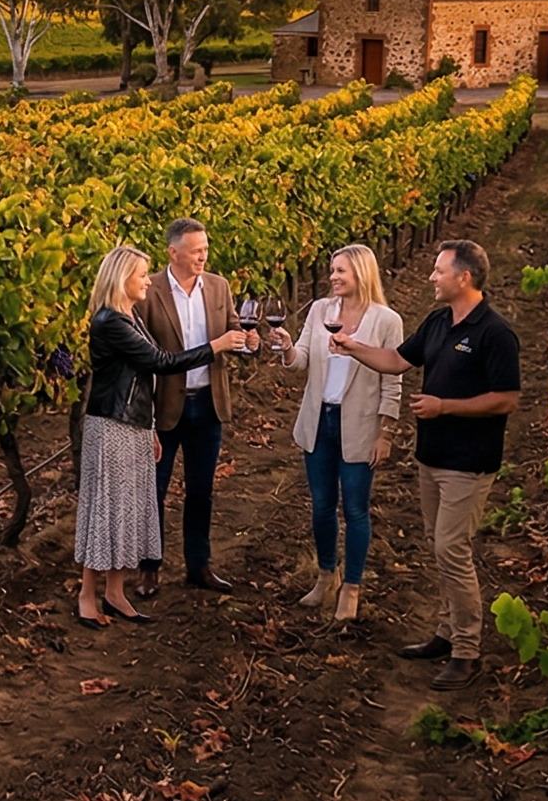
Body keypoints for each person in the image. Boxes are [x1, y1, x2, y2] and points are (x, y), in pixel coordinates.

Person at [332, 239, 521, 688]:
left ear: (464, 278)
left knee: (452, 549)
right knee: (439, 544)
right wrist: (352, 347)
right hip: (431, 456)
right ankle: (445, 631)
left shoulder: (495, 333)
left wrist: (444, 407)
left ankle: (467, 651)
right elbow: (398, 361)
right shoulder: (439, 321)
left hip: (468, 461)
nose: (431, 277)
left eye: (439, 271)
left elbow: (507, 398)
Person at [76, 243, 255, 625]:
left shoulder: (127, 315)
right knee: (106, 512)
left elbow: (145, 376)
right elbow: (160, 362)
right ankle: (86, 596)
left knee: (127, 511)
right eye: (141, 275)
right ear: (122, 279)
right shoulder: (110, 321)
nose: (147, 281)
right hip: (112, 426)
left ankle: (115, 593)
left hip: (135, 423)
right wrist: (215, 346)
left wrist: (151, 424)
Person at [267, 245, 404, 622]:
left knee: (355, 509)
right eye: (331, 270)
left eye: (340, 271)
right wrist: (287, 349)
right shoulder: (320, 311)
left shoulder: (386, 321)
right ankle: (327, 575)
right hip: (320, 421)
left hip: (359, 424)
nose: (333, 277)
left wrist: (386, 432)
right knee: (322, 505)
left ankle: (352, 587)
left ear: (361, 273)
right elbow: (303, 361)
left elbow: (393, 381)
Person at [135, 217, 239, 597]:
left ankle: (199, 565)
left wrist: (250, 341)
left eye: (206, 249)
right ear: (173, 253)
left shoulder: (218, 286)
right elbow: (144, 359)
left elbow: (233, 332)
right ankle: (149, 568)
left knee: (201, 490)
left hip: (208, 405)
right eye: (197, 251)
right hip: (164, 408)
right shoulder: (149, 291)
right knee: (154, 490)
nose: (203, 257)